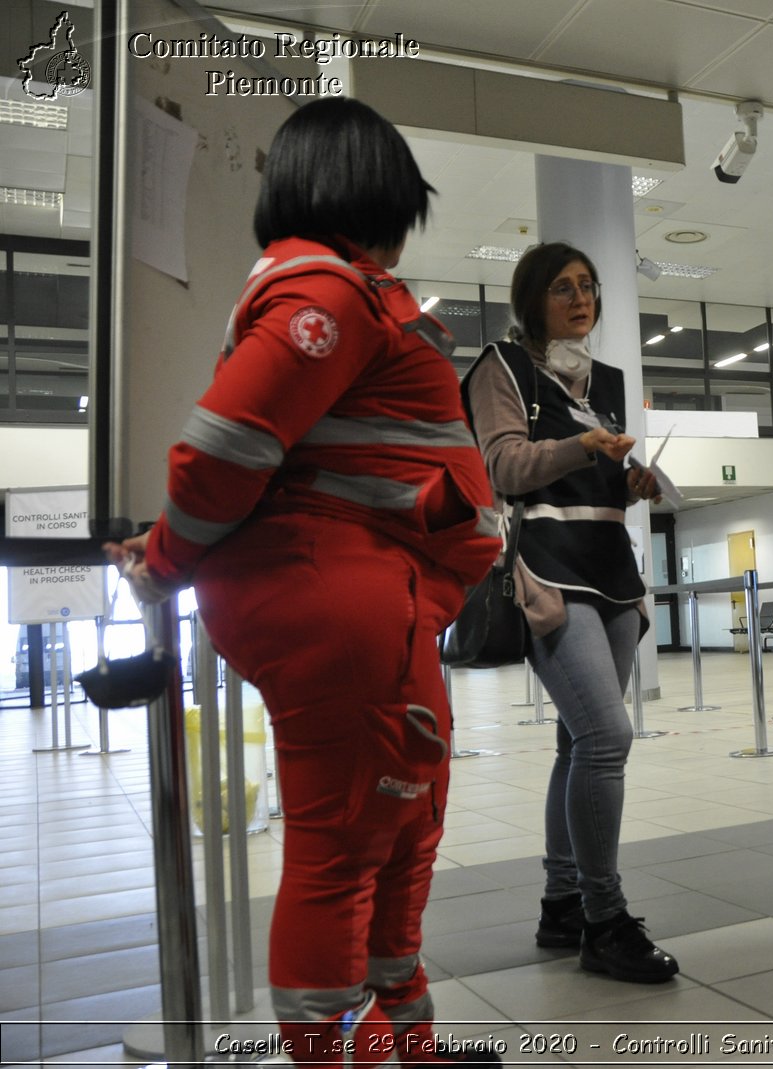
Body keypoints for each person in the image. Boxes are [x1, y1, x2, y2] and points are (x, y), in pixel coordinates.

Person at [106, 98, 504, 1066]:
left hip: (380, 599)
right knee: (344, 844)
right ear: (369, 188)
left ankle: (401, 1046)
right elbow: (225, 445)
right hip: (342, 595)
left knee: (402, 825)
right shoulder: (323, 294)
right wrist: (163, 563)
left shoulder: (346, 293)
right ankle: (328, 1054)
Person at [461, 241, 677, 983]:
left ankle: (561, 902)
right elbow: (506, 466)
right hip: (549, 566)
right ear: (532, 299)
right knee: (606, 735)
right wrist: (581, 444)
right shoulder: (503, 366)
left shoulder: (608, 379)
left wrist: (634, 477)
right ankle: (604, 918)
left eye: (588, 285)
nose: (580, 297)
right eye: (562, 287)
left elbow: (604, 476)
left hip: (612, 569)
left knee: (577, 744)